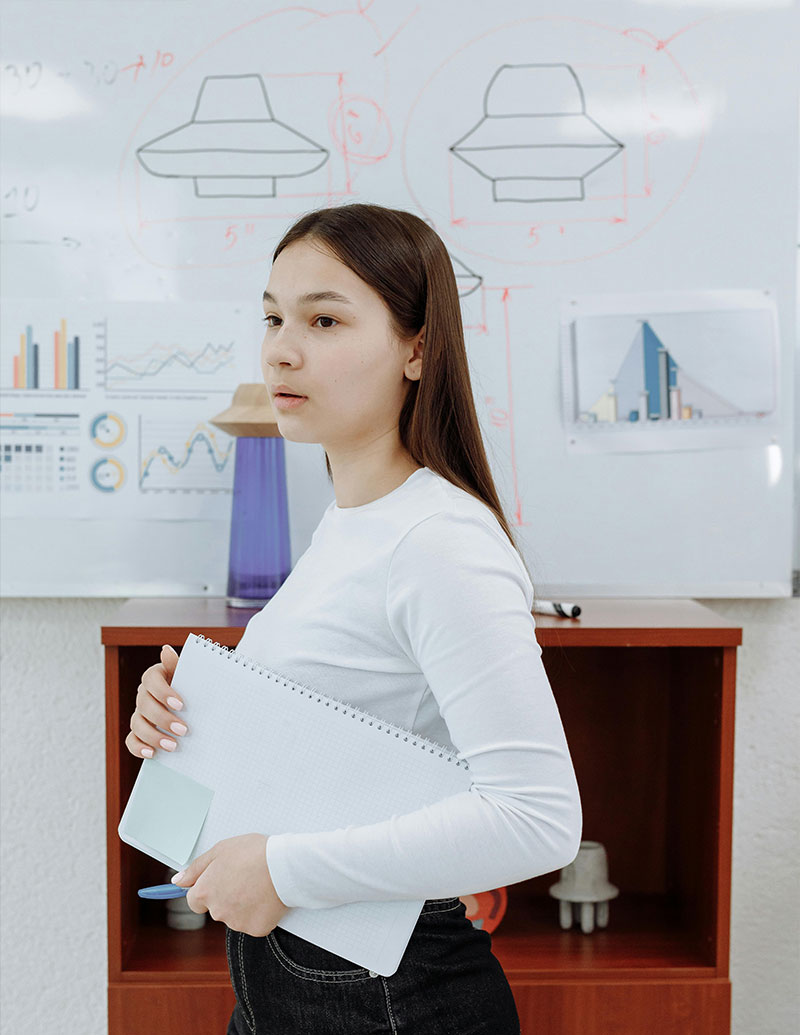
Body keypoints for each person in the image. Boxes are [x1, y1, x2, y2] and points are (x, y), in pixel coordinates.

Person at [125, 202, 582, 1034]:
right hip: (294, 982)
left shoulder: (438, 540)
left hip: (386, 994)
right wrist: (187, 717)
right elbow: (343, 743)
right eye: (272, 317)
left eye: (324, 319)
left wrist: (284, 868)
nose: (281, 349)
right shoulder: (350, 523)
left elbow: (537, 816)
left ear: (417, 347)